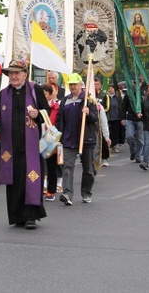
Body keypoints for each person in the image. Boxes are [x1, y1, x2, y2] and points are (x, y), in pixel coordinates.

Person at [0, 58, 49, 228]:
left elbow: (47, 110)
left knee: (30, 177)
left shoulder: (34, 90)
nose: (13, 76)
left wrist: (38, 113)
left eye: (17, 73)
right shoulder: (4, 93)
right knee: (14, 179)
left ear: (25, 74)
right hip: (11, 145)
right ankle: (17, 215)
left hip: (31, 144)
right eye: (11, 73)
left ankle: (31, 216)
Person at [54, 73, 98, 205]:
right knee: (68, 167)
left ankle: (86, 193)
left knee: (88, 169)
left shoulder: (88, 100)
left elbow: (95, 118)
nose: (73, 86)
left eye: (75, 84)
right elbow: (60, 119)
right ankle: (67, 193)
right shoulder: (65, 100)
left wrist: (89, 113)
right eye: (71, 84)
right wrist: (58, 134)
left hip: (86, 139)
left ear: (81, 85)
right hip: (68, 139)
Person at [41, 84, 61, 201]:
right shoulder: (35, 107)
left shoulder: (56, 107)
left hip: (51, 140)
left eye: (46, 94)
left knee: (51, 166)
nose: (43, 96)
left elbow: (59, 122)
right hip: (38, 139)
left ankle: (51, 190)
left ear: (50, 94)